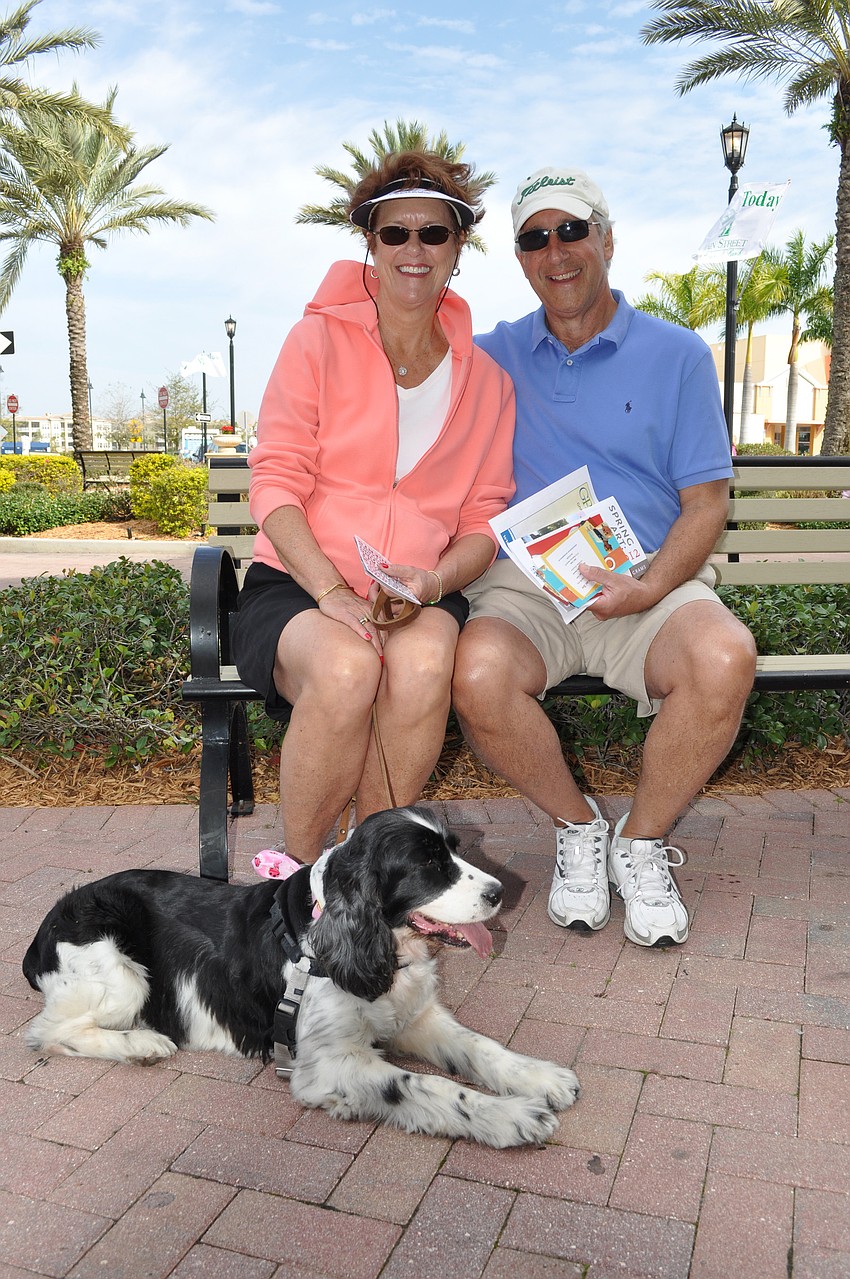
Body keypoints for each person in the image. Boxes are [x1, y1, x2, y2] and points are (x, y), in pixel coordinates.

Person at [453, 166, 757, 947]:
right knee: (477, 674)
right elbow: (395, 345)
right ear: (520, 259)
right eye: (534, 238)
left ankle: (641, 841)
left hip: (645, 583)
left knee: (724, 656)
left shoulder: (678, 354)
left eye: (572, 230)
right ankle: (579, 827)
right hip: (527, 592)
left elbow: (707, 504)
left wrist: (652, 582)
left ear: (607, 240)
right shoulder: (488, 357)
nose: (556, 251)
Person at [231, 150, 515, 864]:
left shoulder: (488, 383)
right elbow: (275, 483)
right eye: (396, 233)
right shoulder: (314, 341)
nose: (414, 250)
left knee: (421, 670)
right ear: (370, 242)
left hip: (419, 592)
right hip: (300, 585)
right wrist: (329, 590)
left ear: (459, 247)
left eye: (434, 233)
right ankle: (295, 892)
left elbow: (484, 522)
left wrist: (433, 583)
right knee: (349, 669)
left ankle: (366, 876)